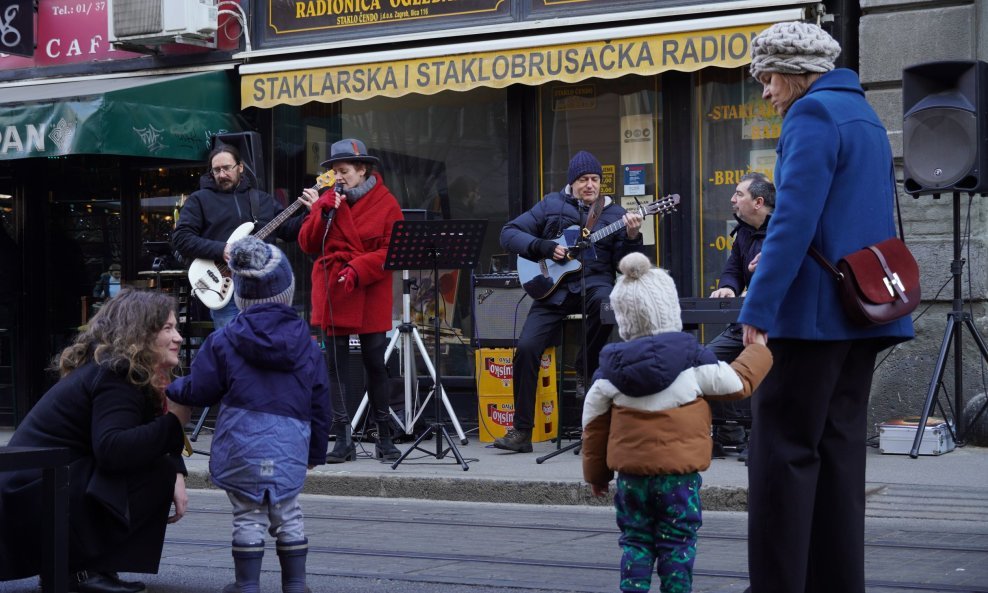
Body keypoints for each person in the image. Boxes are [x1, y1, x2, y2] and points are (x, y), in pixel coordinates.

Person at [738, 22, 914, 593]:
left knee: (782, 459)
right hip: (859, 312)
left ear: (793, 72)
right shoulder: (863, 116)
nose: (765, 90)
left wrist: (758, 310)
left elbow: (792, 220)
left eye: (767, 77)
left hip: (809, 317)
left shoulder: (810, 115)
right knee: (840, 460)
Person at [582, 252, 773, 593]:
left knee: (636, 542)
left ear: (623, 316)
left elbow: (594, 428)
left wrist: (596, 476)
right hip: (679, 480)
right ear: (670, 308)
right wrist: (757, 350)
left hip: (631, 480)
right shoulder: (694, 360)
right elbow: (737, 383)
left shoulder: (607, 373)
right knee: (678, 543)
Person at [167, 235, 330, 593]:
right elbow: (320, 402)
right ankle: (297, 584)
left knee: (248, 514)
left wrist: (170, 389)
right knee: (288, 512)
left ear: (239, 296)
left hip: (242, 444)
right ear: (288, 291)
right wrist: (316, 452)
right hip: (289, 443)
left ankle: (247, 585)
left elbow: (201, 390)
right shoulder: (306, 342)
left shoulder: (224, 339)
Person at [0, 289, 192, 593]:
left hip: (32, 494)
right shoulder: (116, 375)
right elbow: (114, 450)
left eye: (176, 327)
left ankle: (88, 567)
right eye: (168, 328)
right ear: (140, 333)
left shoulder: (113, 369)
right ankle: (78, 572)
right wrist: (176, 421)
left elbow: (135, 437)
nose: (178, 337)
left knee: (160, 468)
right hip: (32, 503)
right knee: (154, 473)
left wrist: (176, 468)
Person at [495, 150, 644, 453]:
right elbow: (508, 233)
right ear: (572, 182)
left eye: (594, 179)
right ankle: (522, 431)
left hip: (595, 284)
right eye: (583, 179)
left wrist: (631, 235)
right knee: (525, 348)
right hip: (552, 290)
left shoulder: (615, 214)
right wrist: (543, 247)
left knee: (608, 307)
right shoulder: (551, 204)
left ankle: (584, 369)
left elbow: (624, 265)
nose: (590, 185)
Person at [297, 138, 404, 463]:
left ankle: (383, 436)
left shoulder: (387, 203)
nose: (338, 177)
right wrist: (321, 209)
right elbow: (307, 243)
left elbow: (391, 251)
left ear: (362, 170)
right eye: (334, 172)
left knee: (375, 364)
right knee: (336, 369)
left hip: (369, 288)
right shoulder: (330, 201)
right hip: (335, 289)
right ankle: (342, 439)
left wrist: (359, 267)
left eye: (343, 171)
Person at [171, 144, 315, 329]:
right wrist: (221, 250)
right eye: (216, 170)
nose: (221, 174)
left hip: (264, 287)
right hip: (226, 286)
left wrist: (310, 214)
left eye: (226, 168)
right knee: (232, 346)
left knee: (266, 343)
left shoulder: (261, 200)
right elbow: (181, 238)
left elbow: (287, 231)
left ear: (240, 167)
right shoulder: (199, 200)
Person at [707, 172, 775, 459]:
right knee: (706, 362)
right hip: (743, 321)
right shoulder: (744, 231)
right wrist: (727, 288)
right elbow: (733, 268)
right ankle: (729, 434)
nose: (733, 199)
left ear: (758, 202)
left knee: (768, 375)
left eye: (739, 194)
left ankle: (762, 443)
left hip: (774, 325)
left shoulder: (783, 230)